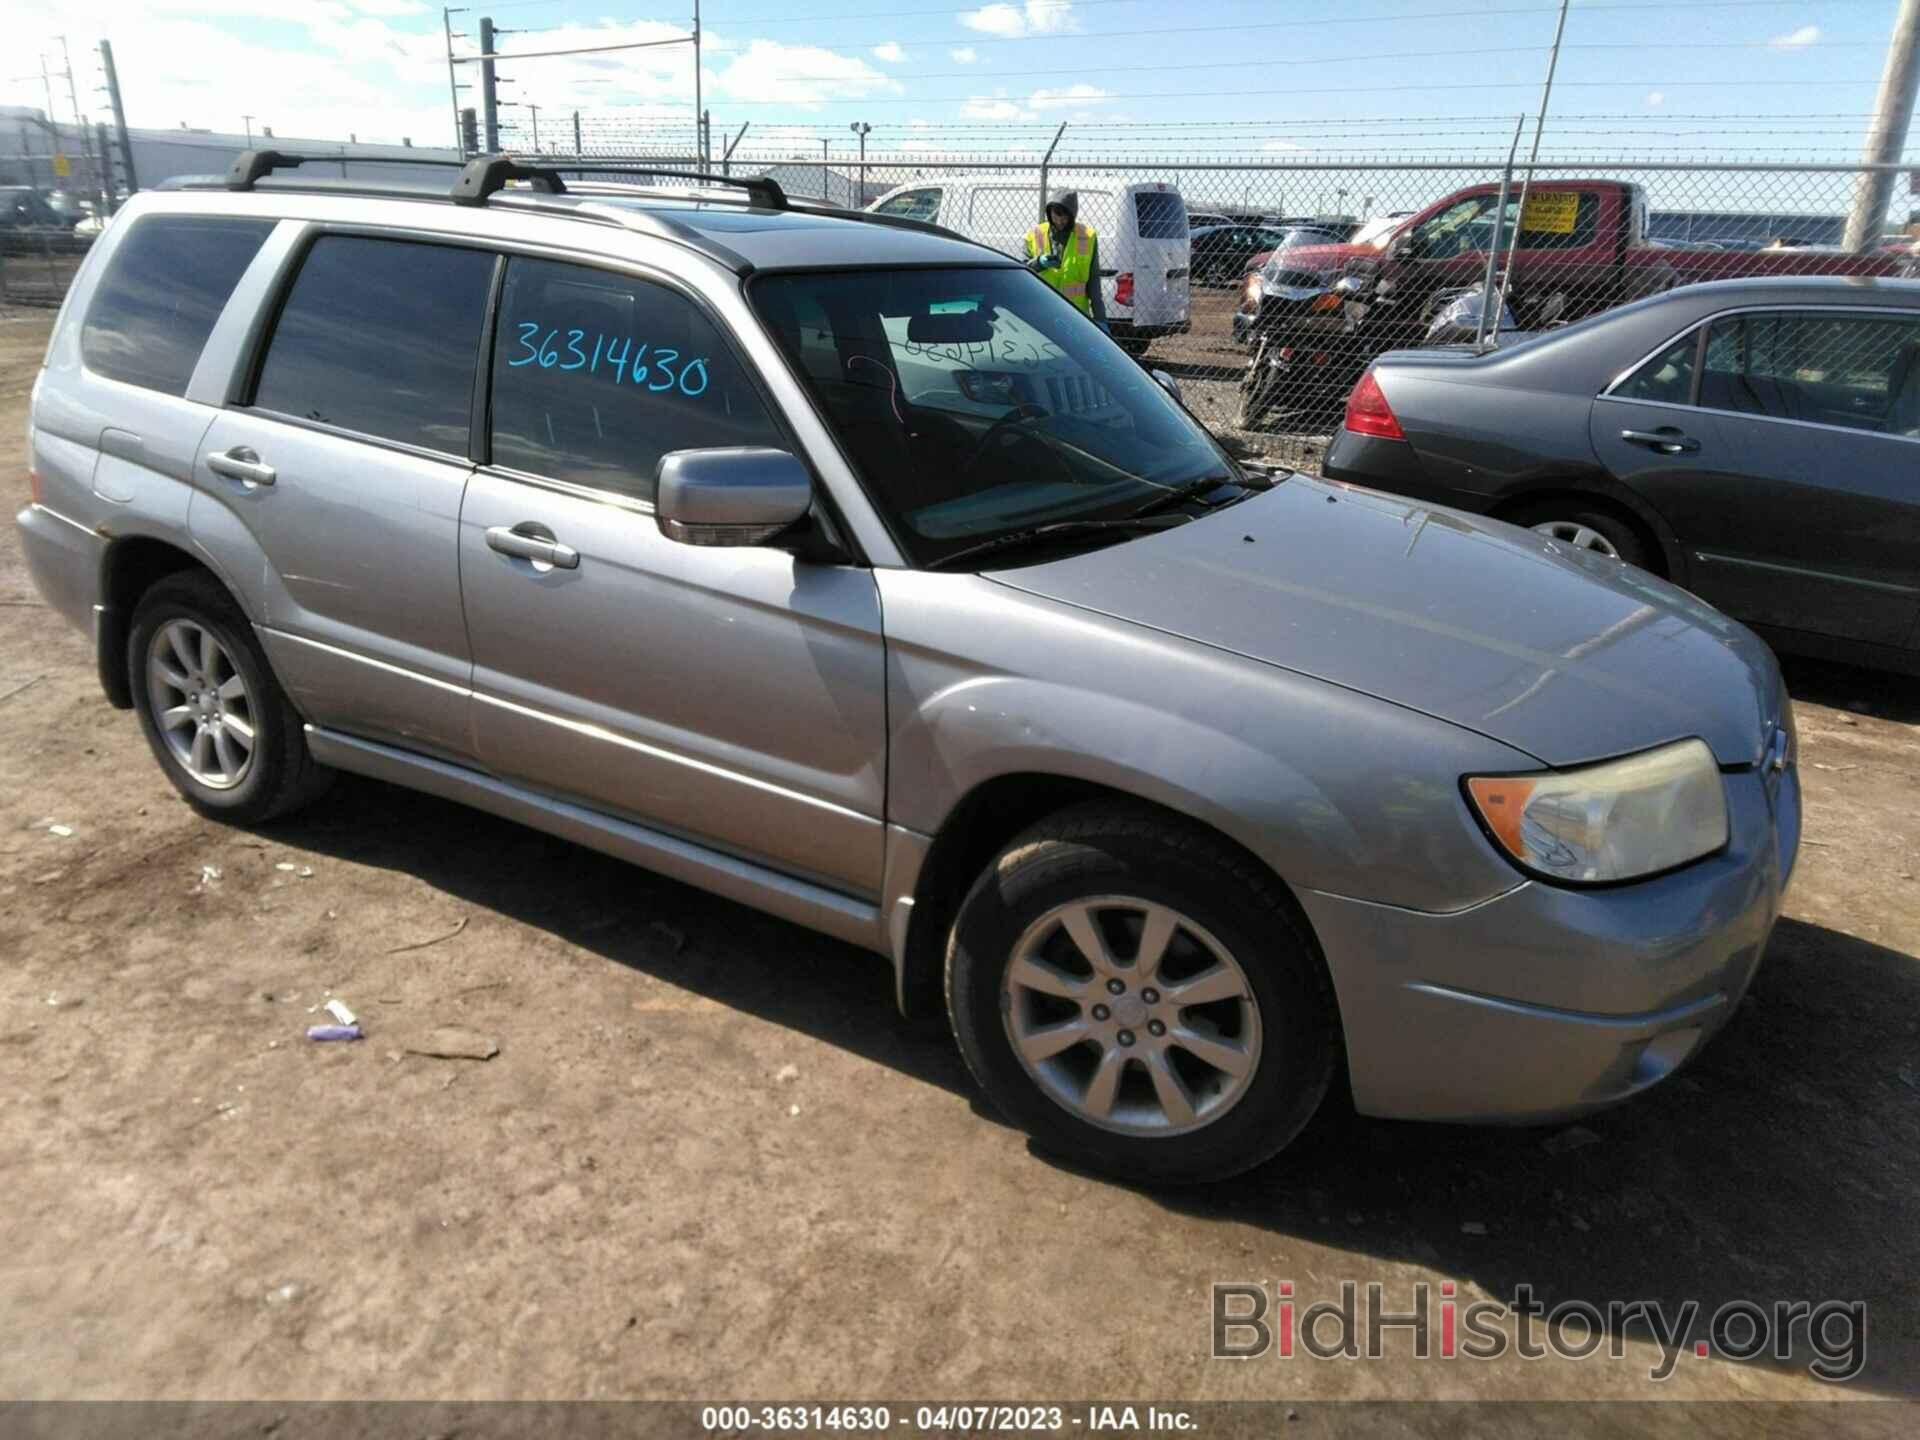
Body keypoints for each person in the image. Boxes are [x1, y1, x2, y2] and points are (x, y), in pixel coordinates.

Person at [1025, 190, 1109, 334]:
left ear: (1072, 216)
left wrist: (1100, 318)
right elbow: (1023, 269)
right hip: (1042, 311)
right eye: (1056, 216)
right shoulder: (1035, 234)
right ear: (1049, 212)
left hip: (1075, 314)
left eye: (1064, 218)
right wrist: (1039, 263)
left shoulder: (1087, 236)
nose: (1060, 221)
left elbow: (1094, 280)